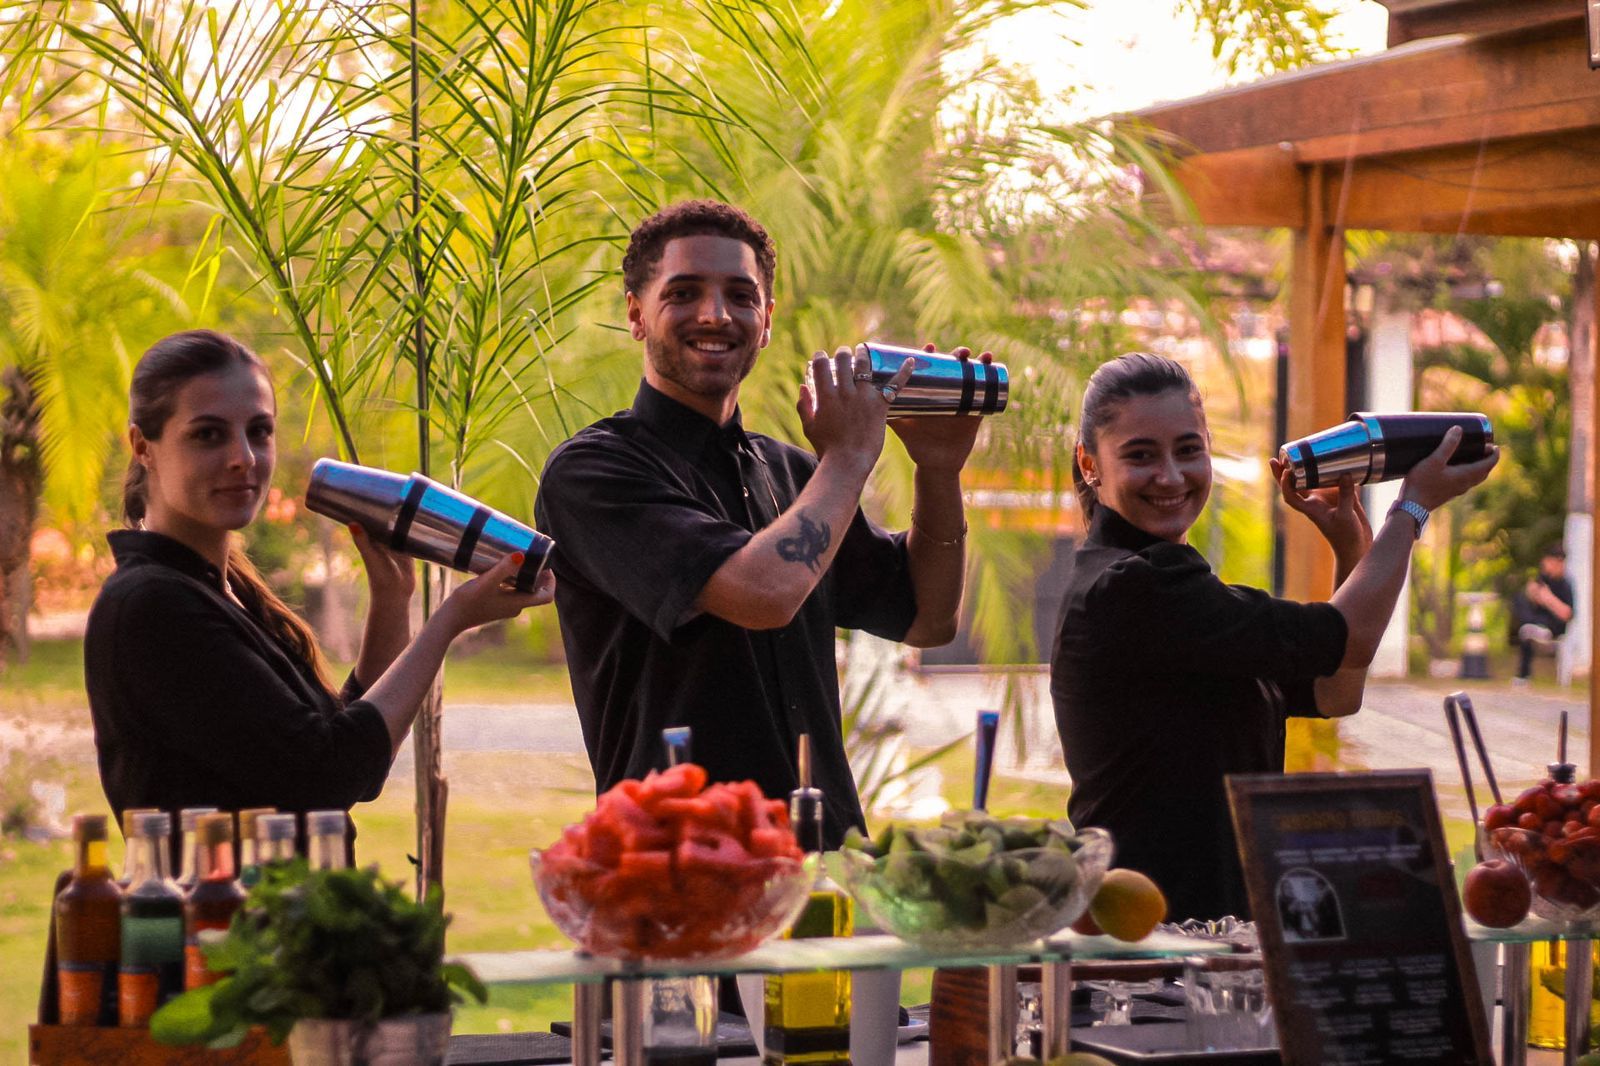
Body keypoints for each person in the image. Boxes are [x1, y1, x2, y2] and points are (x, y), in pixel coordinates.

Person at [534, 199, 983, 846]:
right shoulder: (595, 471)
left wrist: (937, 471)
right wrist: (852, 454)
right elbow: (761, 592)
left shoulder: (797, 477)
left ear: (766, 322)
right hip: (676, 864)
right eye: (684, 292)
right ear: (636, 313)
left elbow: (926, 618)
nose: (715, 314)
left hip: (824, 858)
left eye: (740, 296)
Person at [1051, 353, 1498, 921]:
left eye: (1188, 450)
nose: (1170, 476)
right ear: (1091, 464)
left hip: (1218, 930)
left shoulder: (1176, 589)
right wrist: (1412, 507)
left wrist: (1351, 550)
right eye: (1141, 455)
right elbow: (1347, 638)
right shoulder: (1129, 587)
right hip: (1152, 944)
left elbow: (1337, 689)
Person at [85, 329, 552, 851]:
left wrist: (392, 600)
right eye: (208, 435)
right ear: (143, 447)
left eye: (259, 432)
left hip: (287, 921)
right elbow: (329, 775)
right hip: (223, 925)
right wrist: (450, 620)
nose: (243, 457)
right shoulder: (154, 606)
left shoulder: (225, 590)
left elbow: (347, 752)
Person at [1511, 543, 1574, 684]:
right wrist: (1534, 594)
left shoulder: (1565, 585)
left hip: (1555, 627)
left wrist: (1549, 599)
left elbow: (1567, 614)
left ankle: (1537, 628)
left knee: (1532, 628)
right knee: (1521, 606)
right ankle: (1523, 675)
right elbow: (1531, 597)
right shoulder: (1542, 579)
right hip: (1536, 622)